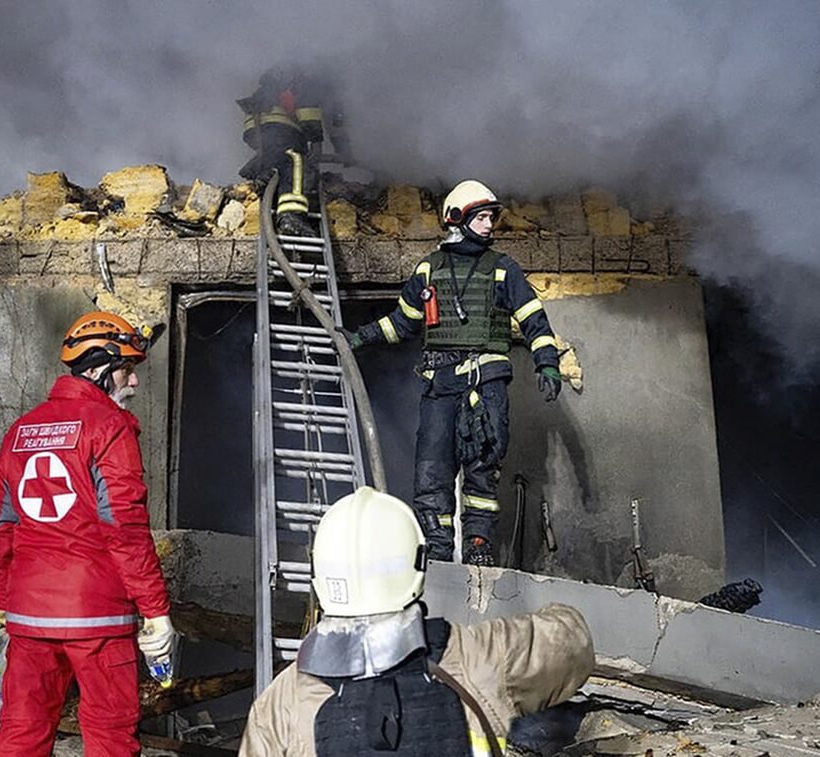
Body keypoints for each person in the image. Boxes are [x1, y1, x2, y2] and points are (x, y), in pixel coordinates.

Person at [239, 487, 594, 757]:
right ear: (417, 563)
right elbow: (572, 640)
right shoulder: (477, 657)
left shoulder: (280, 706)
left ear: (319, 575)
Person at [0, 310, 177, 756]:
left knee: (21, 732)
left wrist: (6, 598)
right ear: (98, 370)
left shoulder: (20, 431)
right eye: (126, 369)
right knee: (110, 734)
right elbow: (124, 528)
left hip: (29, 617)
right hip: (97, 617)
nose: (134, 382)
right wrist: (155, 609)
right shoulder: (109, 427)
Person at [338, 180, 563, 566]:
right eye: (483, 217)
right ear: (457, 218)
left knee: (482, 469)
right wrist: (361, 337)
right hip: (440, 386)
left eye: (491, 217)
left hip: (484, 384)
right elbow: (403, 322)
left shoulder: (503, 269)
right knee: (431, 470)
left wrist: (547, 362)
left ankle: (478, 547)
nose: (490, 224)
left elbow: (533, 320)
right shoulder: (429, 269)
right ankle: (437, 552)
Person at [237, 64, 353, 237]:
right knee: (295, 160)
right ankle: (291, 216)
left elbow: (335, 128)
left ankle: (265, 174)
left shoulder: (300, 84)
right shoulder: (314, 84)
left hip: (257, 126)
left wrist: (345, 152)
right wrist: (316, 143)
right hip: (278, 123)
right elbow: (308, 111)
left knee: (279, 159)